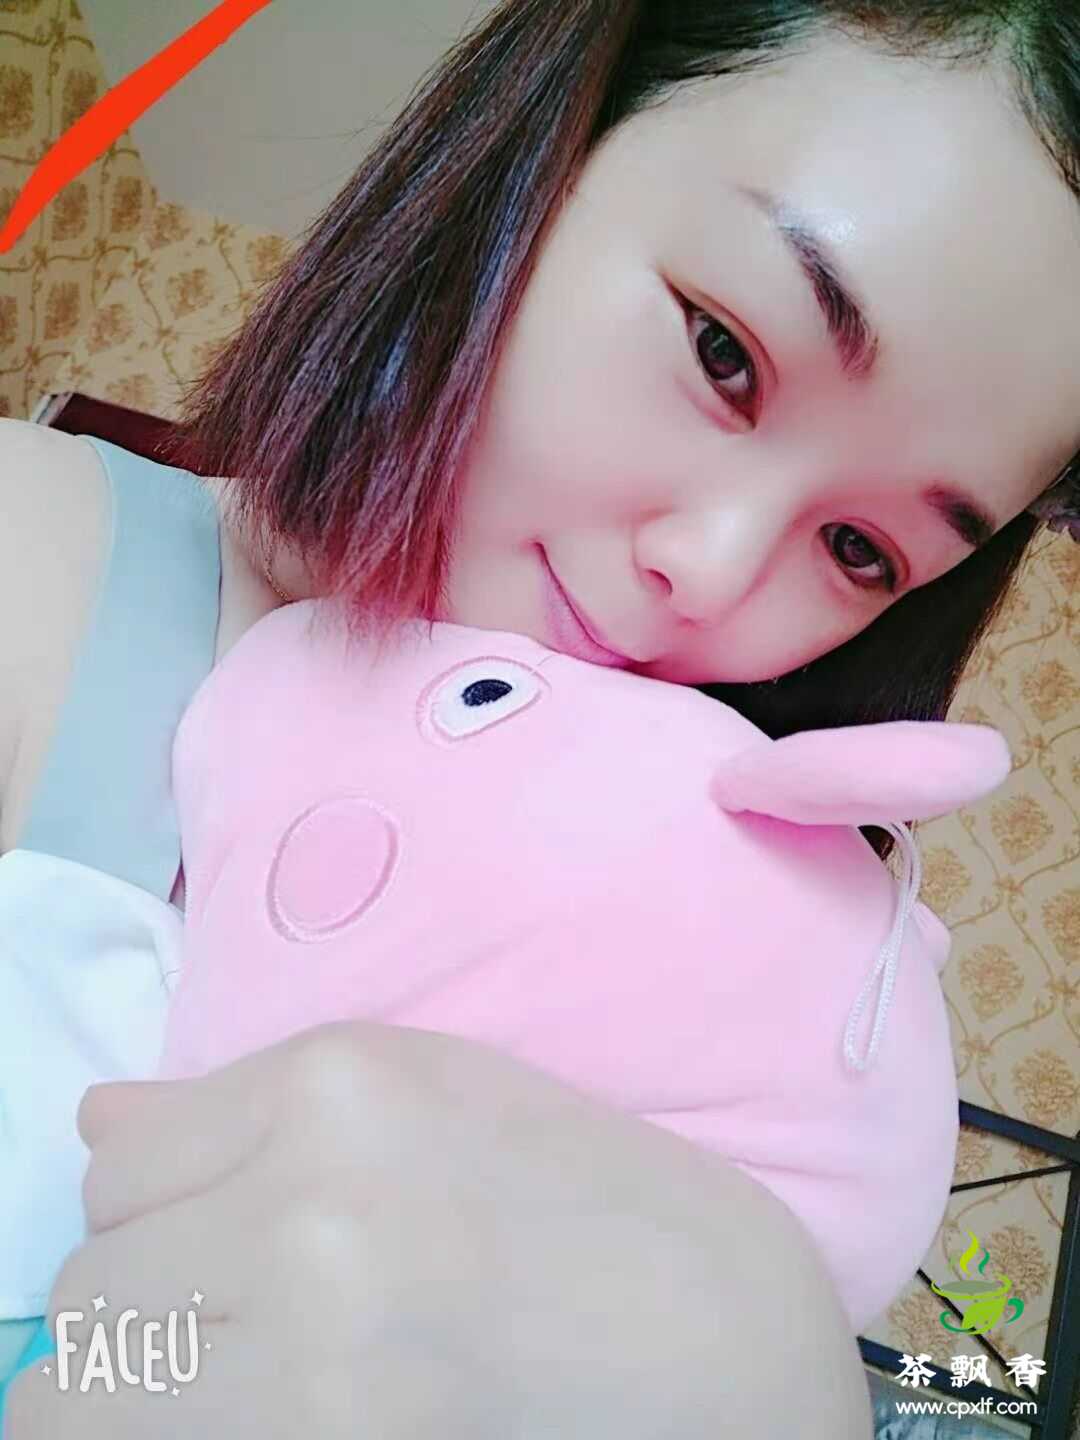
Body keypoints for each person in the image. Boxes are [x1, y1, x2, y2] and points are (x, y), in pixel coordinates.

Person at [2, 0, 1079, 1432]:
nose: (710, 573)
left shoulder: (733, 966)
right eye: (724, 352)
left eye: (860, 550)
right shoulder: (32, 552)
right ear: (542, 158)